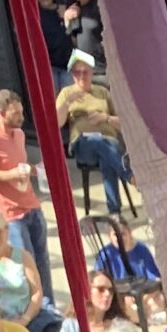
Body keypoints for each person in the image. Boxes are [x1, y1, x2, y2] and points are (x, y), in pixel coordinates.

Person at [55, 49, 130, 215]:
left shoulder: (102, 92)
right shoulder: (67, 93)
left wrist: (105, 118)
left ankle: (115, 213)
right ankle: (130, 176)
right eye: (77, 73)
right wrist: (67, 103)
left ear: (92, 72)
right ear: (72, 75)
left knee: (106, 157)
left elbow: (123, 123)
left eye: (85, 72)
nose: (81, 76)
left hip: (109, 141)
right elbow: (57, 123)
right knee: (99, 143)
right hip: (83, 145)